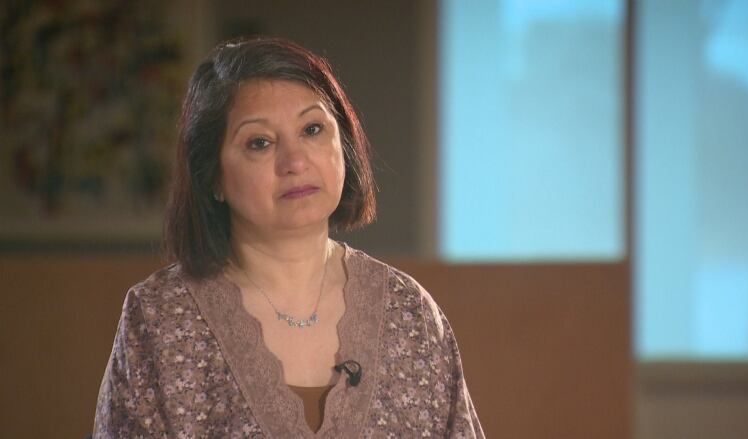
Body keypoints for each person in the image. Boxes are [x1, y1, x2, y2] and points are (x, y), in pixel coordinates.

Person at [93, 36, 484, 438]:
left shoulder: (410, 312)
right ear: (212, 175)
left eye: (312, 129)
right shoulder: (160, 317)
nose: (295, 162)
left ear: (343, 145)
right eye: (259, 143)